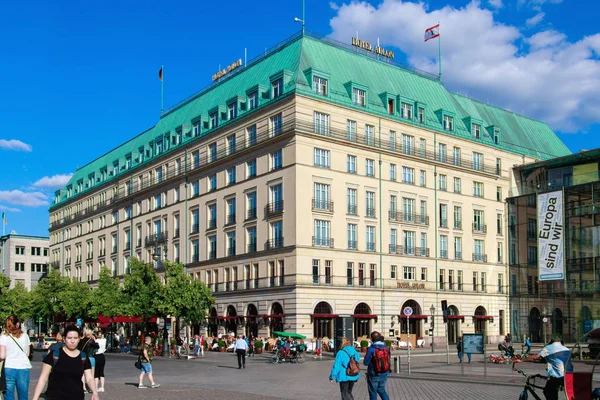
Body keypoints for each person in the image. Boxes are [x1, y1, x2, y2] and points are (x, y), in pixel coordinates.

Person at [31, 325, 98, 400]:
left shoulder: (83, 357)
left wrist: (95, 392)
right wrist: (35, 397)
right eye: (69, 338)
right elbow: (43, 378)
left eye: (75, 338)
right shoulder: (54, 355)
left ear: (79, 339)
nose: (72, 341)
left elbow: (89, 378)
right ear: (64, 338)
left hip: (76, 396)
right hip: (55, 397)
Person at [516, 336, 573, 400]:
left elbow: (535, 357)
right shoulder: (566, 348)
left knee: (547, 392)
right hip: (569, 375)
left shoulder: (549, 347)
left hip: (558, 376)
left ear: (551, 341)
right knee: (553, 391)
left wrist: (521, 360)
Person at [0, 315, 32, 400]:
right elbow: (28, 353)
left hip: (9, 367)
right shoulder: (25, 336)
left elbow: (2, 356)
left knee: (8, 395)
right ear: (17, 324)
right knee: (23, 396)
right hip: (23, 367)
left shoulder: (4, 337)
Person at [363, 331, 390, 400]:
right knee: (381, 389)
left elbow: (366, 362)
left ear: (372, 339)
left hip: (374, 373)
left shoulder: (371, 349)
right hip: (384, 372)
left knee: (373, 392)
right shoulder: (386, 348)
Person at [79, 328, 99, 393]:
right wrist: (95, 340)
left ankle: (83, 387)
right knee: (91, 374)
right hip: (90, 358)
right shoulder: (91, 341)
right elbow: (97, 346)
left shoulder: (80, 340)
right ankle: (90, 388)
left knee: (83, 374)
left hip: (82, 358)